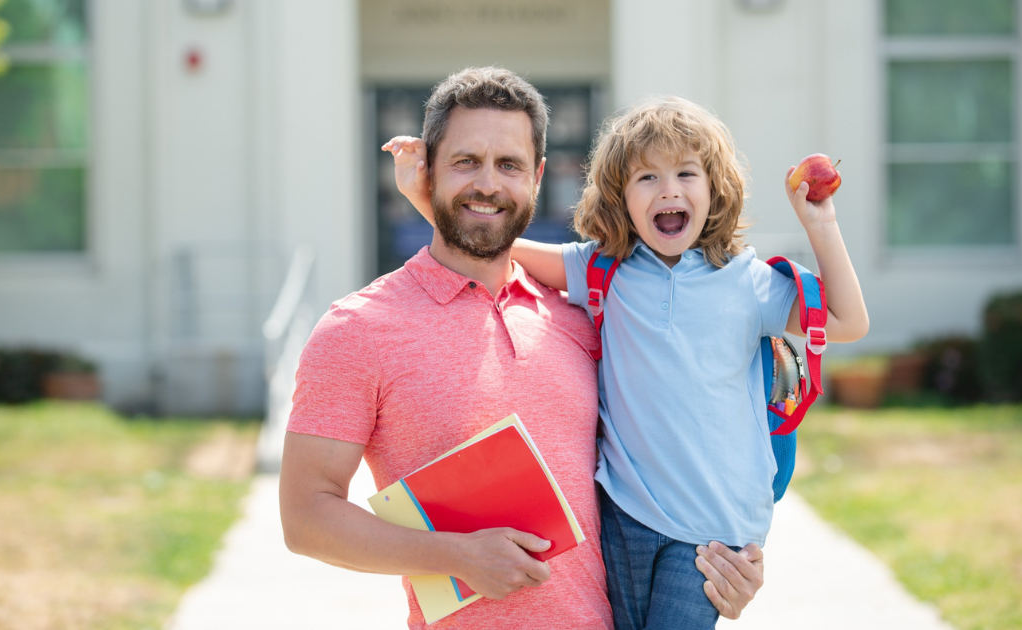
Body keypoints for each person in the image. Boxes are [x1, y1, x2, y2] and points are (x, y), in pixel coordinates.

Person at [280, 67, 765, 630]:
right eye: (466, 162)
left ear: (536, 178)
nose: (488, 183)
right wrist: (454, 556)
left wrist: (725, 564)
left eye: (508, 165)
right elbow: (306, 518)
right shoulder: (357, 329)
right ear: (429, 172)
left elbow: (683, 439)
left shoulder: (586, 317)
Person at [384, 96, 869, 629]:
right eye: (647, 178)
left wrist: (819, 223)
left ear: (714, 189)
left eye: (687, 173)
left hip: (711, 533)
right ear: (620, 197)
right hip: (625, 517)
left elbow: (848, 320)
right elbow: (492, 246)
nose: (669, 190)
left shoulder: (748, 282)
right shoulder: (601, 271)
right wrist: (425, 195)